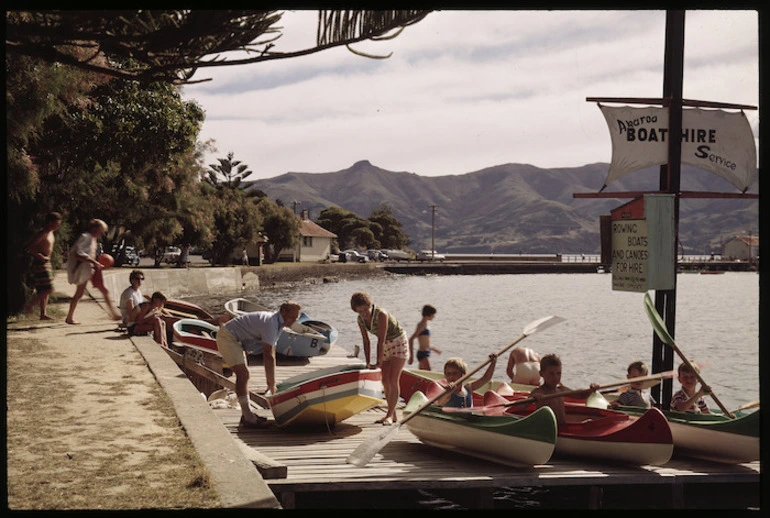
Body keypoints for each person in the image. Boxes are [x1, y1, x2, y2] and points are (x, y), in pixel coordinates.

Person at [216, 301, 302, 427]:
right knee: (243, 375)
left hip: (236, 339)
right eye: (292, 317)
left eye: (296, 318)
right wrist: (271, 384)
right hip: (228, 337)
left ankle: (247, 415)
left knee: (244, 375)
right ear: (283, 312)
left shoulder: (277, 324)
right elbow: (268, 356)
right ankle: (248, 417)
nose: (293, 321)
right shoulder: (271, 323)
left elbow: (271, 351)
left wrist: (272, 383)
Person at [351, 291, 409, 425]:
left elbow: (380, 340)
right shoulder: (360, 320)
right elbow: (366, 341)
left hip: (398, 341)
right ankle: (392, 415)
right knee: (385, 381)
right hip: (385, 345)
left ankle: (389, 415)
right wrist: (367, 362)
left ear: (370, 305)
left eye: (366, 309)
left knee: (393, 380)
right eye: (360, 311)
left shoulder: (381, 314)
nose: (364, 313)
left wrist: (378, 363)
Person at [65, 218, 121, 324]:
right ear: (95, 228)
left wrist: (95, 263)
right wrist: (94, 262)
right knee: (79, 293)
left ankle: (114, 314)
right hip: (83, 268)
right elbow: (79, 254)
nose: (101, 234)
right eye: (100, 231)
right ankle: (69, 317)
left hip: (90, 268)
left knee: (103, 290)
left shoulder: (93, 239)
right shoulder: (86, 237)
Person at [530, 353, 600, 425]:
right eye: (551, 374)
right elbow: (520, 407)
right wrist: (535, 397)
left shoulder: (561, 390)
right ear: (541, 374)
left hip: (562, 427)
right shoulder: (539, 392)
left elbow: (581, 395)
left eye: (558, 373)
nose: (555, 377)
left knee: (589, 422)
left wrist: (591, 389)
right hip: (547, 429)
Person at [24, 212, 62, 320]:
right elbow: (30, 247)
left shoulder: (51, 233)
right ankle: (29, 306)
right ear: (50, 222)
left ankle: (43, 314)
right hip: (40, 263)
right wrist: (40, 256)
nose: (58, 225)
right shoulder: (44, 233)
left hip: (46, 262)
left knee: (44, 289)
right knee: (49, 289)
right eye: (56, 223)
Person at [408, 304, 442, 370]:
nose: (434, 317)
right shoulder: (421, 325)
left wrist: (435, 349)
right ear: (428, 314)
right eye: (433, 315)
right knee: (429, 371)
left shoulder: (426, 325)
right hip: (422, 354)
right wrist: (411, 357)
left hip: (426, 352)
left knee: (421, 374)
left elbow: (426, 342)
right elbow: (411, 339)